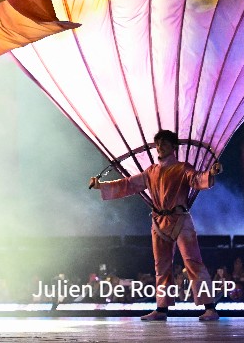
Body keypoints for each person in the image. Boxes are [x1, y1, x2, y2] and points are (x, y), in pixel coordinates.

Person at [89, 129, 223, 322]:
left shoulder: (182, 168)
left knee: (193, 262)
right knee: (161, 267)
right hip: (158, 222)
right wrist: (102, 185)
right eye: (158, 144)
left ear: (173, 147)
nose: (160, 147)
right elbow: (128, 184)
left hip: (180, 219)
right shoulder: (151, 171)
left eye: (165, 144)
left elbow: (196, 179)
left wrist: (210, 173)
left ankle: (209, 307)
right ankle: (162, 309)